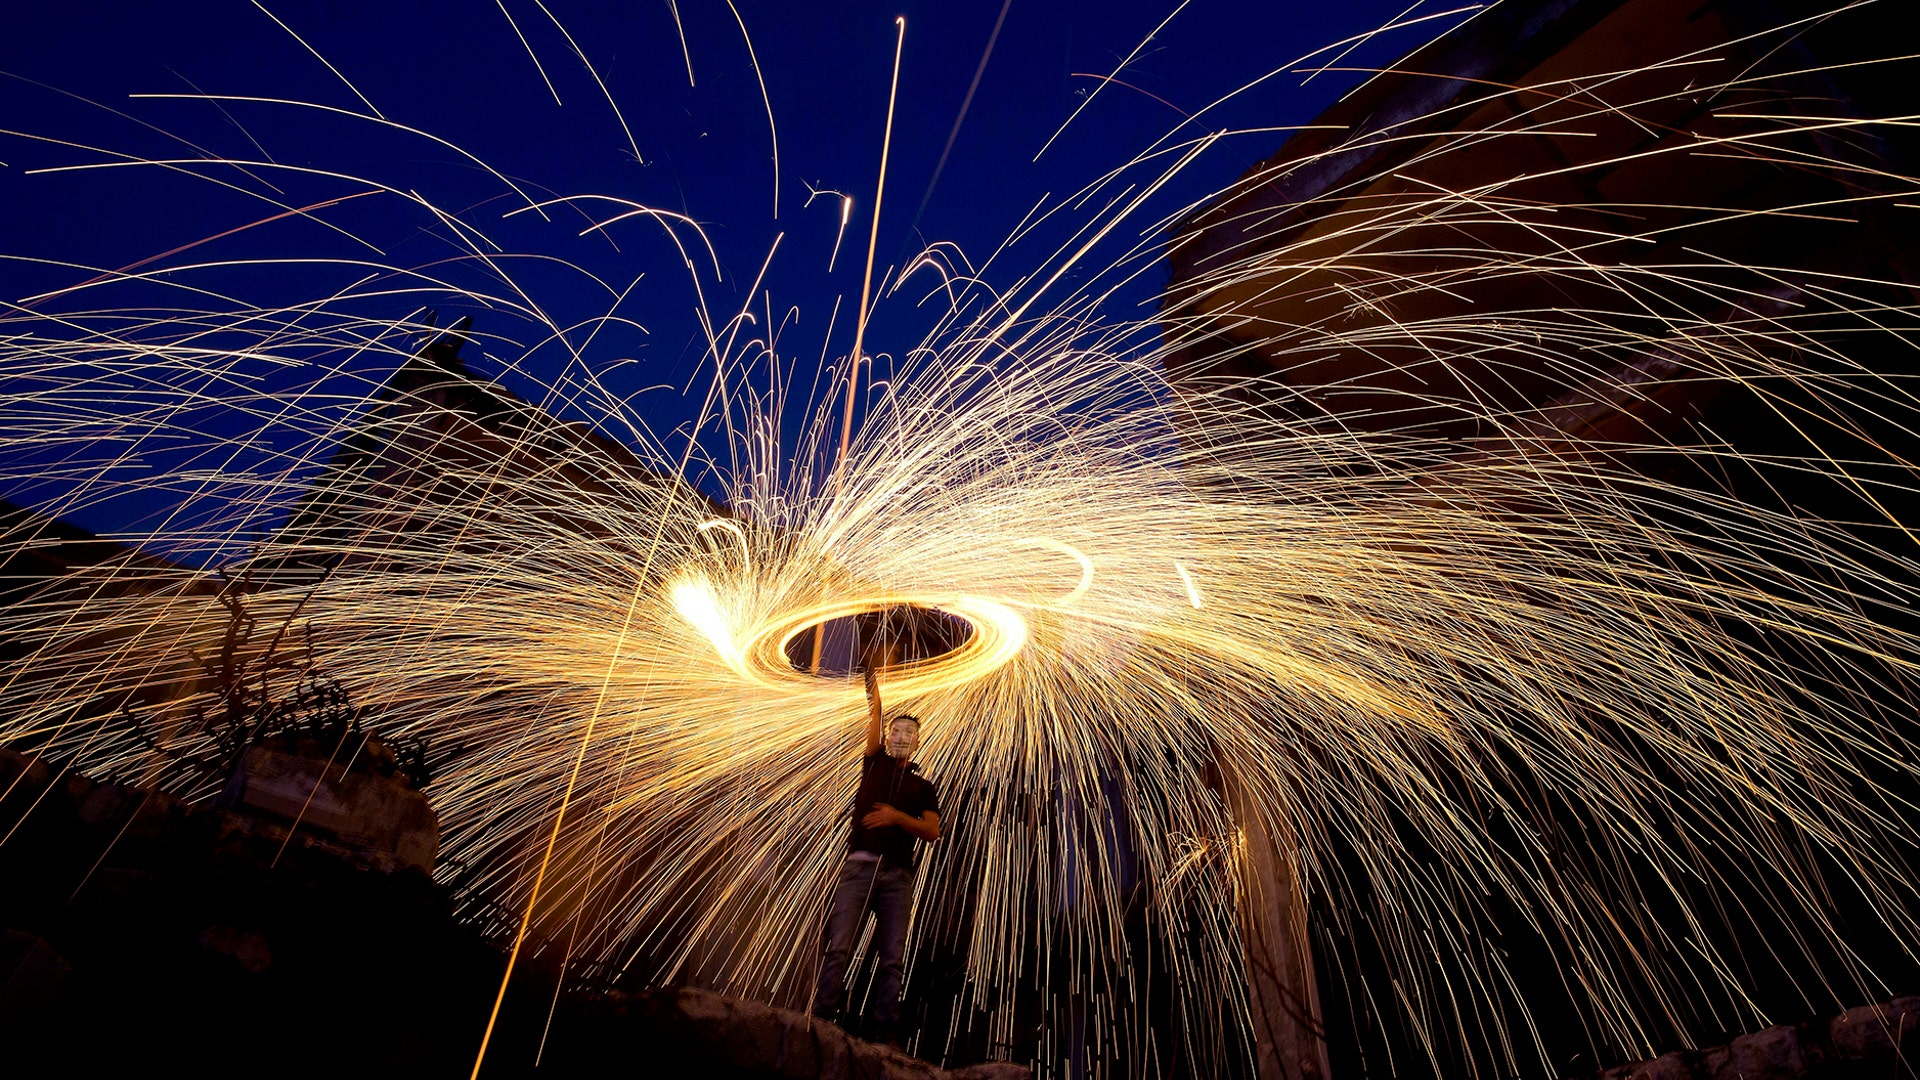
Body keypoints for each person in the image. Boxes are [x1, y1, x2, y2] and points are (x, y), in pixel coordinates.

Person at [811, 642, 941, 1045]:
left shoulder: (923, 787)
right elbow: (875, 711)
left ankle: (884, 1035)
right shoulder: (874, 762)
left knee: (892, 960)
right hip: (860, 867)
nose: (901, 736)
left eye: (909, 733)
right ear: (887, 736)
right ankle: (821, 1021)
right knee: (839, 948)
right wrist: (872, 674)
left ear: (917, 743)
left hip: (897, 877)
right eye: (896, 731)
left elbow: (932, 831)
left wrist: (896, 817)